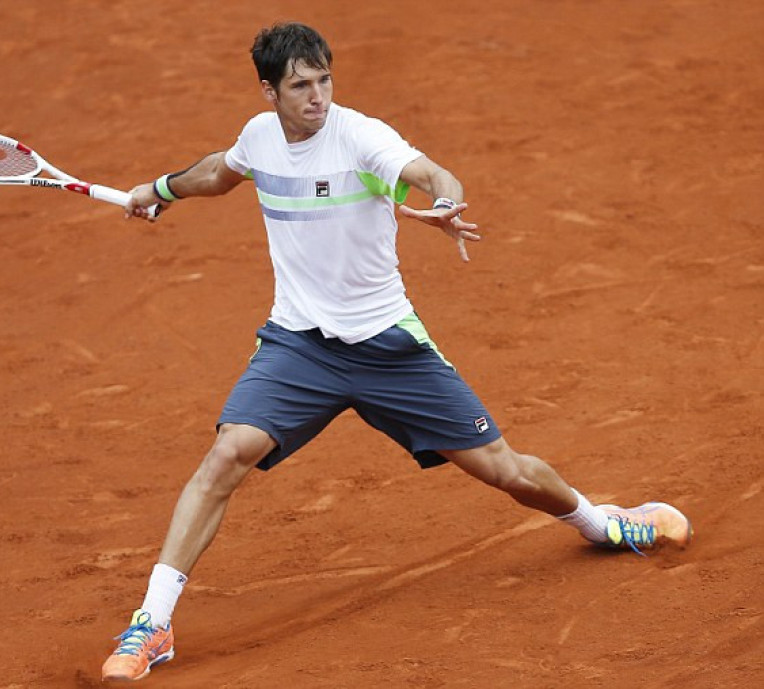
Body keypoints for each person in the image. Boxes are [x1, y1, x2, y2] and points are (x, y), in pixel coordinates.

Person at [101, 22, 692, 682]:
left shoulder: (361, 136)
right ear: (270, 91)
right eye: (301, 86)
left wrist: (443, 200)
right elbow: (216, 171)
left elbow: (429, 171)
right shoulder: (259, 137)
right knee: (226, 454)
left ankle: (601, 523)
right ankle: (153, 622)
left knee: (507, 471)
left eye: (325, 80)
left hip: (389, 347)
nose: (318, 96)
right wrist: (156, 193)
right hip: (299, 346)